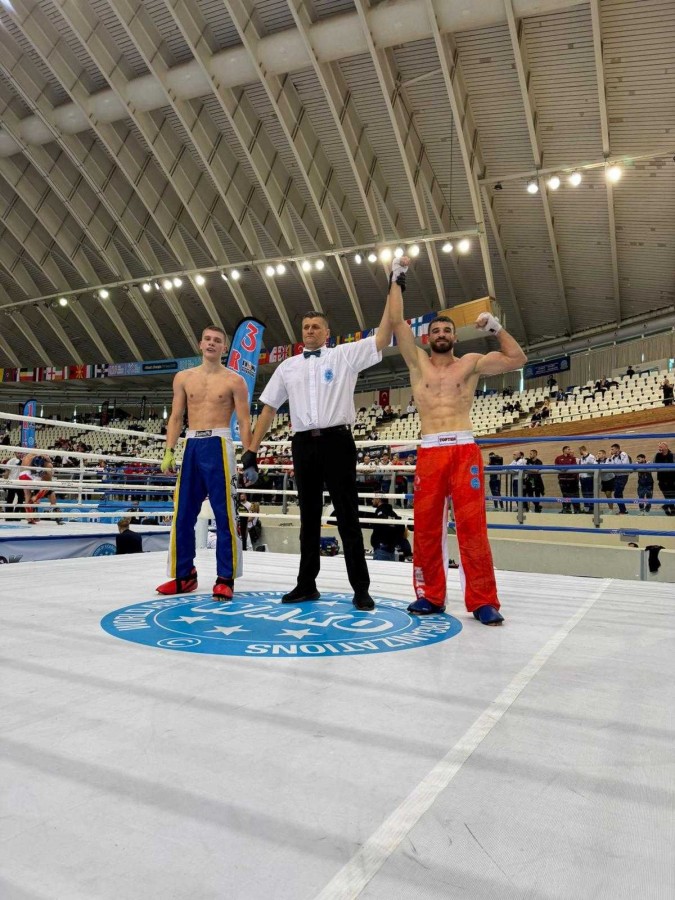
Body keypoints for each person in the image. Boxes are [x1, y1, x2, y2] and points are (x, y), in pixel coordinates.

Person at [388, 256, 527, 624]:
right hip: (431, 449)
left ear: (454, 336)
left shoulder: (471, 363)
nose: (441, 334)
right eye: (436, 330)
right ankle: (430, 595)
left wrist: (496, 327)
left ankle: (483, 600)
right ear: (428, 337)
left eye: (447, 330)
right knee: (426, 528)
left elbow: (517, 359)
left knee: (472, 527)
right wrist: (397, 278)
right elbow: (396, 323)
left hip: (464, 448)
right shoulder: (417, 362)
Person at [243, 300, 394, 611]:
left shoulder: (343, 355)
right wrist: (251, 450)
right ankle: (306, 584)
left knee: (348, 516)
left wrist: (394, 286)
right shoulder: (288, 366)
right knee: (308, 519)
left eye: (315, 327)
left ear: (327, 332)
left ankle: (361, 589)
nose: (310, 331)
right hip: (303, 444)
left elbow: (381, 338)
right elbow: (269, 408)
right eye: (305, 327)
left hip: (337, 441)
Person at [156, 324, 253, 601]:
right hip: (192, 444)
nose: (211, 343)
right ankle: (184, 575)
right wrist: (169, 450)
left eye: (217, 340)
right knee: (182, 513)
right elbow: (176, 417)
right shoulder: (183, 378)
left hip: (219, 443)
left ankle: (225, 577)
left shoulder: (235, 380)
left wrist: (249, 456)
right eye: (207, 339)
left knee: (225, 515)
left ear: (224, 348)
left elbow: (244, 420)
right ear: (200, 344)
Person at [369, 494, 404, 561]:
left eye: (373, 498)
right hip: (391, 550)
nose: (372, 501)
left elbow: (380, 528)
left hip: (381, 549)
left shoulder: (380, 513)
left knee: (379, 567)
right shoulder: (393, 513)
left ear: (378, 499)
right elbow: (401, 528)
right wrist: (394, 543)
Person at [554, 446, 580, 513]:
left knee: (574, 495)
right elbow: (556, 466)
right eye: (568, 449)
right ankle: (567, 509)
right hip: (563, 480)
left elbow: (574, 467)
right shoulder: (558, 458)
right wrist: (561, 469)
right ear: (564, 450)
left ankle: (577, 509)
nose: (570, 450)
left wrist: (566, 469)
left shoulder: (572, 458)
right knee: (565, 495)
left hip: (572, 480)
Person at [608, 443, 630, 514]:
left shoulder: (623, 454)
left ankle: (623, 510)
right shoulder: (612, 456)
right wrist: (610, 458)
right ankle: (623, 510)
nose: (611, 450)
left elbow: (624, 465)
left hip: (623, 475)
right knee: (618, 493)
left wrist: (615, 468)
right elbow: (610, 466)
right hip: (616, 476)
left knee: (617, 493)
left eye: (612, 449)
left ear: (617, 449)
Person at [654, 442, 675, 515]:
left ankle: (666, 506)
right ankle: (672, 511)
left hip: (672, 480)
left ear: (666, 447)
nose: (659, 448)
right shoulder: (657, 455)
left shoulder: (672, 455)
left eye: (661, 447)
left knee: (671, 496)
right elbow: (655, 465)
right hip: (662, 480)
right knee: (668, 496)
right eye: (659, 447)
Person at [578, 445, 597, 513]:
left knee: (590, 493)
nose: (579, 452)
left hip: (589, 478)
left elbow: (594, 467)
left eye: (579, 451)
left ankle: (592, 508)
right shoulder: (581, 459)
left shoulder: (591, 457)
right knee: (584, 493)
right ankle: (586, 508)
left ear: (582, 450)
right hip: (582, 478)